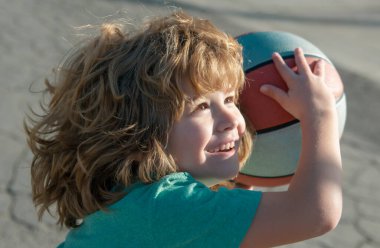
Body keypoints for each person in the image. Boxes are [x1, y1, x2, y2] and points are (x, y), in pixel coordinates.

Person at [25, 11, 342, 248]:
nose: (232, 118)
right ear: (139, 132)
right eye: (202, 107)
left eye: (231, 99)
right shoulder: (163, 209)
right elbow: (315, 214)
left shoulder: (141, 200)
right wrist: (319, 114)